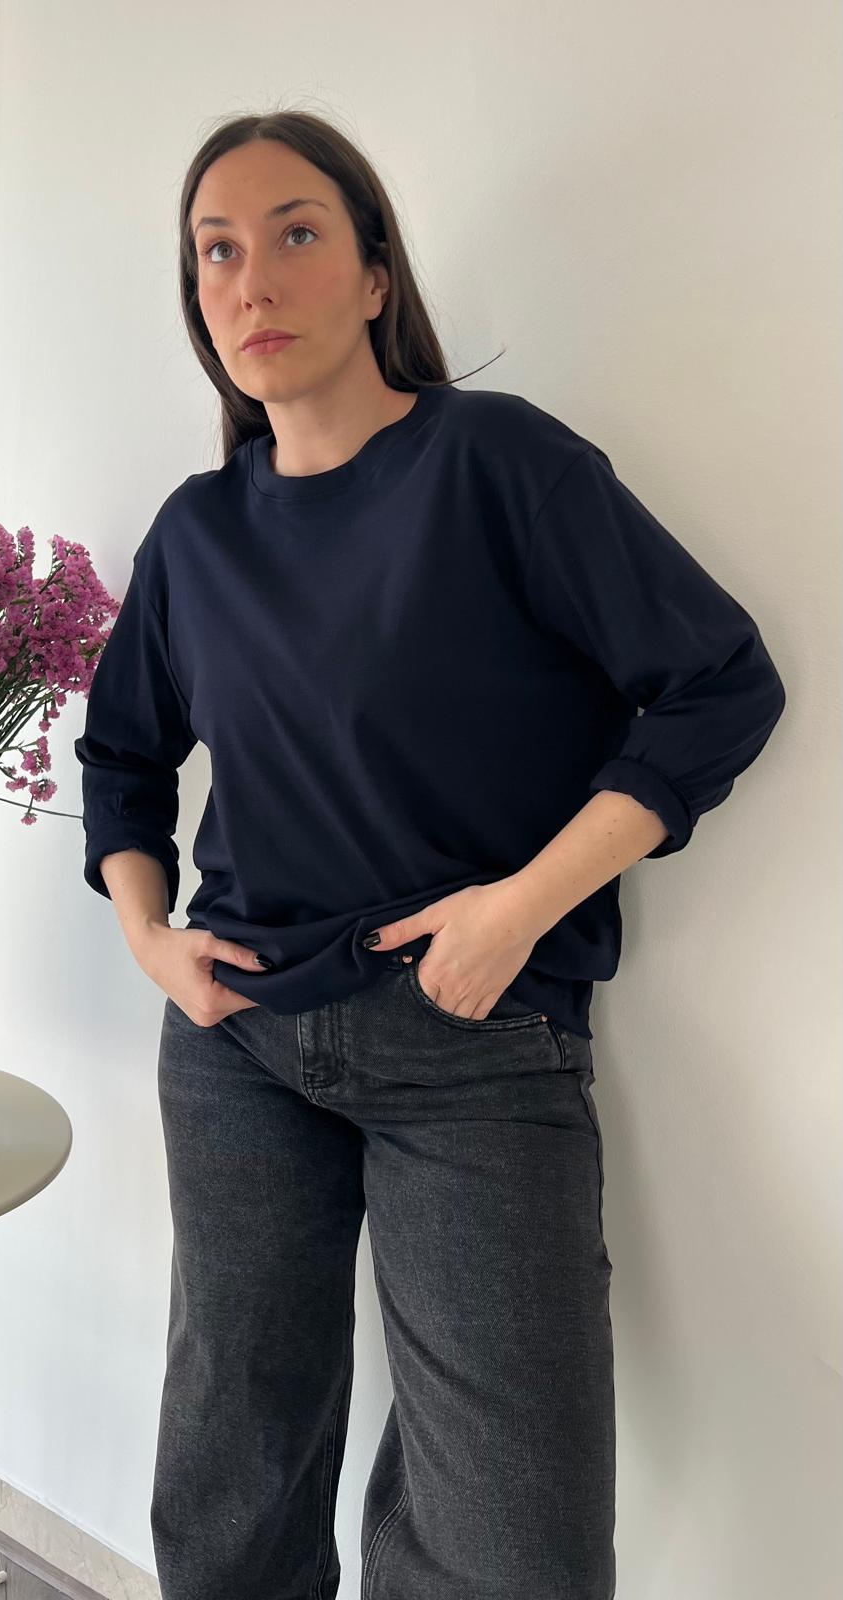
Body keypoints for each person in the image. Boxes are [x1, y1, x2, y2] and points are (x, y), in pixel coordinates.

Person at [73, 109, 786, 1600]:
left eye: (296, 233)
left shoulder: (499, 464)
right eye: (217, 252)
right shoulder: (197, 536)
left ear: (376, 273)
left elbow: (720, 685)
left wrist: (521, 909)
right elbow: (123, 762)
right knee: (231, 1476)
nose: (253, 279)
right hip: (238, 1040)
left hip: (474, 1037)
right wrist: (152, 942)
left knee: (515, 1541)